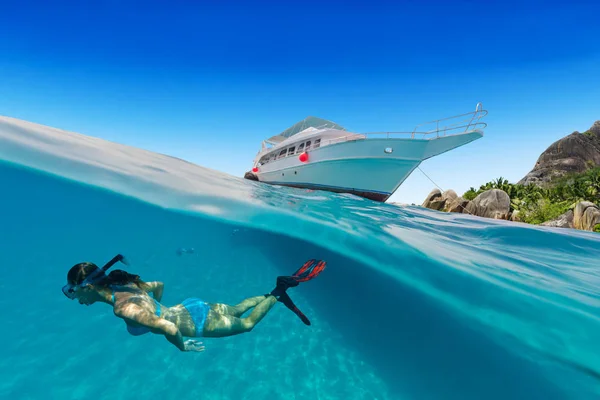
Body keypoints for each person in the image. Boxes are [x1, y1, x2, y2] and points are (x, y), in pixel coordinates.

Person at [62, 254, 326, 352]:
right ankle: (271, 292)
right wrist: (158, 307)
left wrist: (183, 347)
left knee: (246, 323)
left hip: (195, 322)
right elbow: (158, 286)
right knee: (234, 308)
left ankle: (279, 291)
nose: (75, 299)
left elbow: (168, 328)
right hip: (190, 307)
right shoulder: (125, 284)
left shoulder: (122, 308)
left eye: (72, 292)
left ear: (87, 287)